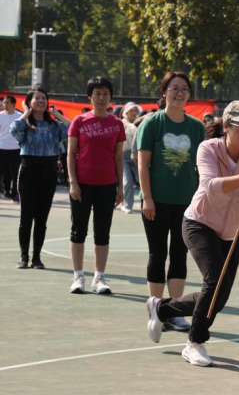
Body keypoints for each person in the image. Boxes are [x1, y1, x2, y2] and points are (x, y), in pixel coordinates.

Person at [145, 100, 239, 366]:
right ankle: (195, 343)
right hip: (198, 223)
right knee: (214, 282)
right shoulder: (208, 148)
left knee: (218, 298)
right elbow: (210, 185)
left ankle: (162, 308)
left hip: (232, 233)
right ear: (226, 127)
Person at [137, 71, 205, 333]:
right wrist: (147, 198)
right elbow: (143, 165)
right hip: (156, 202)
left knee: (179, 254)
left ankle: (174, 312)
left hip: (186, 204)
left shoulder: (196, 127)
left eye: (184, 89)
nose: (180, 93)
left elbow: (201, 167)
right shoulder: (152, 124)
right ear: (163, 92)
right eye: (174, 88)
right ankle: (156, 309)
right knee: (157, 254)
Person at [67, 77, 125, 294]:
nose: (102, 97)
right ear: (89, 96)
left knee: (102, 233)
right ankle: (78, 276)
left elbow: (118, 157)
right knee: (78, 231)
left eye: (105, 93)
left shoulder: (117, 124)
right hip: (82, 185)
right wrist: (73, 182)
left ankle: (99, 277)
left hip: (107, 185)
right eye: (97, 93)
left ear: (110, 97)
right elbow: (71, 154)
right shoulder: (79, 121)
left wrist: (120, 187)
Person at [10, 89, 70, 269]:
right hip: (28, 171)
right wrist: (26, 113)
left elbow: (72, 129)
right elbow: (14, 129)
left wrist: (56, 114)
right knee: (26, 217)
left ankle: (36, 257)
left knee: (41, 219)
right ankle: (24, 256)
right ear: (29, 102)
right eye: (37, 98)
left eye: (44, 98)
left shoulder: (54, 125)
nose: (41, 101)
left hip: (48, 173)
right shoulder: (25, 124)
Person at [121, 101, 143, 213]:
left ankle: (146, 203)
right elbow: (131, 127)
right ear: (126, 112)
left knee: (142, 180)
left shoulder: (140, 123)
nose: (133, 113)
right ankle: (127, 205)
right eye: (131, 111)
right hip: (123, 156)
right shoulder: (122, 123)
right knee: (128, 181)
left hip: (137, 155)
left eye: (135, 111)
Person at [0, 96, 22, 202]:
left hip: (15, 148)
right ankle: (6, 190)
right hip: (2, 147)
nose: (5, 105)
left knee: (15, 172)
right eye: (4, 103)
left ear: (13, 104)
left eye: (7, 103)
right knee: (3, 171)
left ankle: (15, 193)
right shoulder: (0, 116)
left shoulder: (20, 116)